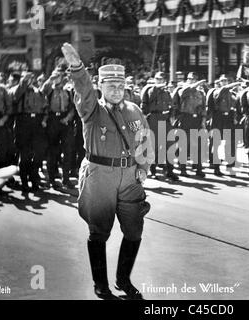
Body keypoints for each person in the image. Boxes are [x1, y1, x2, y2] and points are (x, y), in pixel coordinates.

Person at [61, 43, 154, 300]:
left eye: (120, 86)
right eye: (111, 86)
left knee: (134, 229)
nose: (116, 90)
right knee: (99, 231)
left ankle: (123, 280)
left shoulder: (134, 110)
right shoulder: (92, 109)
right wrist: (78, 69)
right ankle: (100, 284)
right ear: (101, 86)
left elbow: (145, 140)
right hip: (100, 175)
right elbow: (83, 89)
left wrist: (144, 169)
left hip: (130, 177)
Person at [10, 72, 48, 192]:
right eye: (26, 79)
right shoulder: (19, 90)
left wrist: (44, 120)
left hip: (36, 122)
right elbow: (15, 96)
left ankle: (34, 180)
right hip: (23, 122)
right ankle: (24, 182)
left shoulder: (38, 92)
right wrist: (23, 83)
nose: (29, 81)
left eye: (31, 79)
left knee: (37, 154)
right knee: (24, 154)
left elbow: (45, 107)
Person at [41, 65, 75, 188]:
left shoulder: (68, 90)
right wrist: (50, 79)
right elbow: (42, 91)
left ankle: (66, 178)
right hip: (52, 120)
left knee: (68, 150)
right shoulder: (49, 90)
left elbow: (72, 108)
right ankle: (52, 178)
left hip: (65, 120)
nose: (57, 78)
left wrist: (67, 118)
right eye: (56, 76)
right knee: (53, 151)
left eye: (59, 76)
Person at [141, 71, 179, 180]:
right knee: (154, 146)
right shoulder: (150, 89)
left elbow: (171, 105)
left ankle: (170, 170)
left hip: (165, 119)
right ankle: (152, 171)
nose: (159, 81)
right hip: (153, 118)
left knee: (170, 145)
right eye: (157, 79)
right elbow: (145, 105)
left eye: (162, 80)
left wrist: (171, 117)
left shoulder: (166, 92)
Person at [173, 72, 208, 177]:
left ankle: (198, 168)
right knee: (184, 144)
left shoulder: (201, 93)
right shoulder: (182, 89)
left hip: (197, 119)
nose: (192, 81)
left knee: (198, 145)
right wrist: (197, 84)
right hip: (185, 118)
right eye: (190, 79)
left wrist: (203, 121)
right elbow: (184, 93)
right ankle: (183, 169)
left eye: (194, 79)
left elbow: (203, 107)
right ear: (187, 80)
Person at [207, 74, 239, 176]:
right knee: (217, 143)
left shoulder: (230, 93)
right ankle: (216, 167)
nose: (224, 82)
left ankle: (229, 162)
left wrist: (234, 118)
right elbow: (222, 91)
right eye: (223, 81)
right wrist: (235, 84)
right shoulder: (217, 91)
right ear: (219, 82)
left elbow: (234, 106)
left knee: (228, 142)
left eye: (226, 80)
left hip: (227, 119)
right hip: (218, 118)